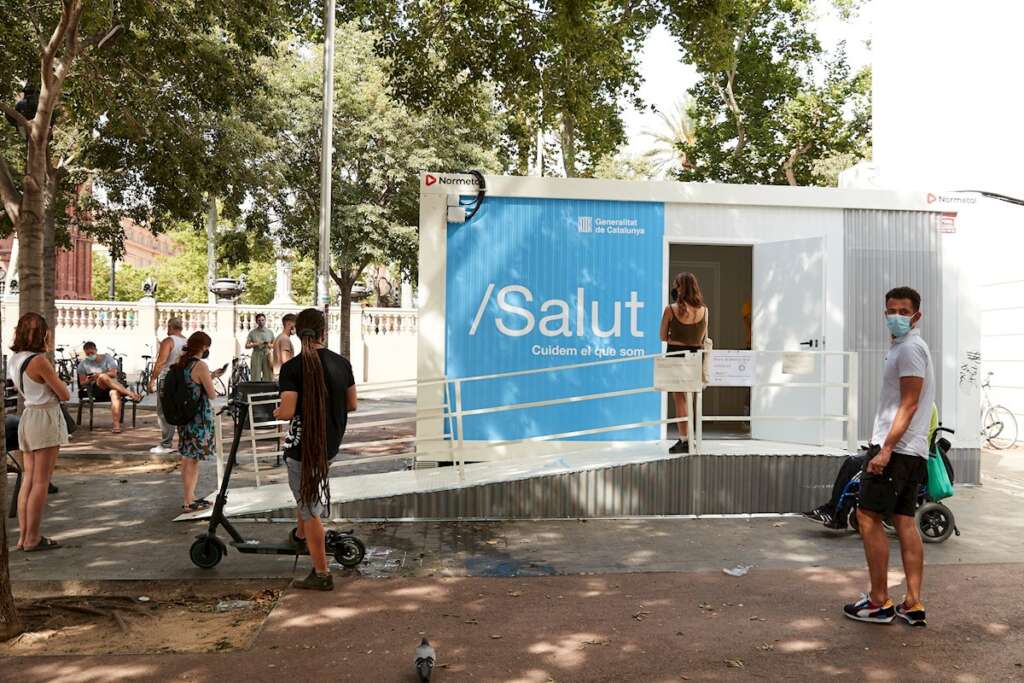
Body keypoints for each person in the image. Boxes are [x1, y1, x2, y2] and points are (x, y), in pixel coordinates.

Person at [843, 286, 934, 628]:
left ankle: (880, 601)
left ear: (916, 315)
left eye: (903, 310)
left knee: (867, 516)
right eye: (891, 310)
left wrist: (886, 449)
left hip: (896, 449)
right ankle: (913, 603)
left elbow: (909, 403)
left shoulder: (909, 349)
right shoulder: (909, 347)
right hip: (912, 450)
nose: (895, 316)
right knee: (904, 521)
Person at [273, 308, 357, 591]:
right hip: (328, 445)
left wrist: (274, 412)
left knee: (309, 510)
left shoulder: (292, 368)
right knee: (306, 499)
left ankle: (321, 574)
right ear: (324, 332)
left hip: (302, 449)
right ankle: (300, 536)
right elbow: (352, 404)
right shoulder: (341, 364)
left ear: (297, 332)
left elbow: (287, 412)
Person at [8, 312, 71, 551]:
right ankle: (33, 537)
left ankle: (24, 536)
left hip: (29, 416)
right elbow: (64, 394)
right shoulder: (39, 361)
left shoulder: (16, 358)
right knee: (41, 482)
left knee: (29, 479)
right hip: (44, 417)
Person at [172, 331, 225, 513]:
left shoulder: (182, 363)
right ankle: (188, 501)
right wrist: (211, 379)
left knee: (187, 458)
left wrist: (211, 375)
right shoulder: (200, 365)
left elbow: (192, 384)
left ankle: (191, 496)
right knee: (193, 460)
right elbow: (211, 394)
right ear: (203, 347)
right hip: (198, 418)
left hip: (185, 417)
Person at [659, 272, 709, 454]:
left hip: (676, 355)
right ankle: (693, 439)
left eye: (675, 285)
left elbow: (662, 336)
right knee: (692, 399)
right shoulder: (705, 310)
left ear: (680, 288)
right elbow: (702, 338)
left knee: (679, 400)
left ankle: (685, 440)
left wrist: (676, 339)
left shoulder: (670, 310)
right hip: (695, 357)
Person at [76, 341, 141, 434]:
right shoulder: (83, 364)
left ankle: (116, 425)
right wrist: (91, 379)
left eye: (92, 353)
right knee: (102, 377)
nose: (90, 355)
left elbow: (113, 373)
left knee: (114, 393)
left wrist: (100, 374)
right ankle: (131, 394)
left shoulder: (107, 358)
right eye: (88, 354)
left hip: (113, 386)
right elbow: (82, 382)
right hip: (97, 388)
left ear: (96, 350)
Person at [148, 317, 188, 454]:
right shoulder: (187, 341)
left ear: (170, 327)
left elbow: (161, 362)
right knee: (180, 410)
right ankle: (184, 442)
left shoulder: (169, 341)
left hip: (167, 378)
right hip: (183, 379)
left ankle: (166, 444)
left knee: (164, 411)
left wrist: (152, 379)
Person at [246, 313, 275, 382]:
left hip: (267, 354)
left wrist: (268, 344)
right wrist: (256, 344)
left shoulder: (270, 332)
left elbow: (275, 345)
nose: (261, 322)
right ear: (256, 321)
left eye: (262, 320)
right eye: (259, 320)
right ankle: (255, 391)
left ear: (265, 320)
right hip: (256, 354)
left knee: (269, 375)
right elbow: (246, 345)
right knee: (255, 375)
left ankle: (268, 391)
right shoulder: (252, 333)